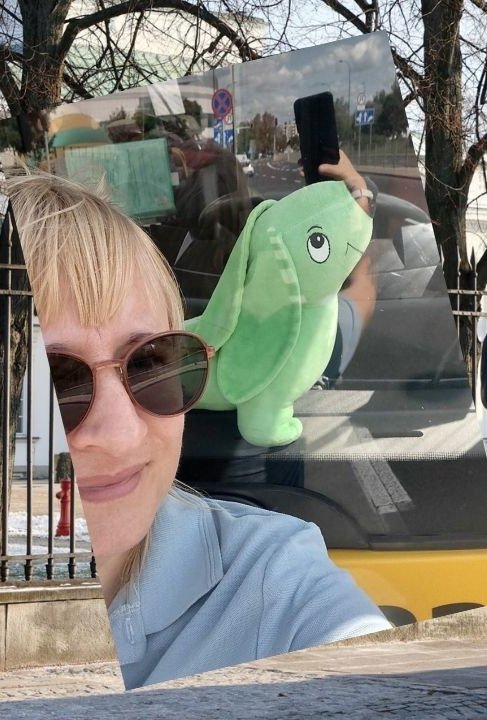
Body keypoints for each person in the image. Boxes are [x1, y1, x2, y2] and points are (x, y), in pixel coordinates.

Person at [5, 167, 392, 690]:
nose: (121, 434)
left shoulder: (274, 576)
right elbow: (360, 303)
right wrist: (360, 199)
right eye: (63, 381)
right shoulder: (324, 327)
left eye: (152, 364)